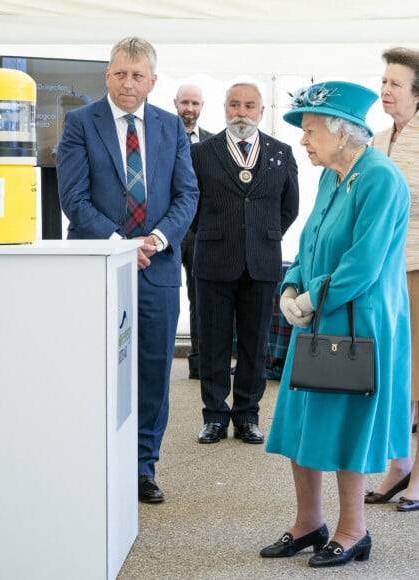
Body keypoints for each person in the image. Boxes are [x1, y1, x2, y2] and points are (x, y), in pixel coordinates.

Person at [262, 81, 411, 568]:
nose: (303, 140)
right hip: (317, 313)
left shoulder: (380, 178)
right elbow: (309, 241)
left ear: (342, 132)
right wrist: (291, 285)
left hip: (360, 323)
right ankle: (309, 523)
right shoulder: (329, 175)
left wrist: (310, 295)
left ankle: (353, 530)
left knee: (347, 427)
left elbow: (364, 263)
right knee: (302, 419)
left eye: (309, 130)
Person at [56, 37, 199, 503]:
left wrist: (155, 241)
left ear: (153, 81)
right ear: (107, 75)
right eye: (120, 74)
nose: (128, 83)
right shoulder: (80, 123)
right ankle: (94, 460)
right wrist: (121, 247)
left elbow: (187, 195)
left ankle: (142, 467)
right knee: (94, 367)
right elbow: (73, 199)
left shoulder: (170, 127)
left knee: (154, 371)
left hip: (157, 269)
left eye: (137, 76)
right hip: (98, 268)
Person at [190, 82, 299, 445]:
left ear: (261, 111)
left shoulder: (281, 153)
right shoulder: (201, 153)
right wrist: (212, 234)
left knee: (256, 344)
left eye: (249, 106)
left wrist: (262, 236)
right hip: (213, 259)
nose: (241, 112)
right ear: (223, 108)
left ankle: (247, 416)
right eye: (234, 105)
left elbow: (290, 207)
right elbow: (190, 206)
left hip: (261, 261)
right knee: (213, 342)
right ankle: (215, 416)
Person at [364, 46, 419, 512]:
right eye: (384, 81)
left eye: (395, 83)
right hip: (384, 275)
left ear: (417, 94)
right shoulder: (375, 140)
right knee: (394, 375)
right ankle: (397, 465)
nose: (385, 89)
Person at [173, 83, 214, 380]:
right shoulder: (161, 137)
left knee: (201, 301)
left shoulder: (213, 143)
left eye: (195, 103)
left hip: (201, 234)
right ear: (176, 103)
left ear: (202, 106)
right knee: (162, 298)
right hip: (168, 232)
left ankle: (199, 364)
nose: (189, 108)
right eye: (185, 102)